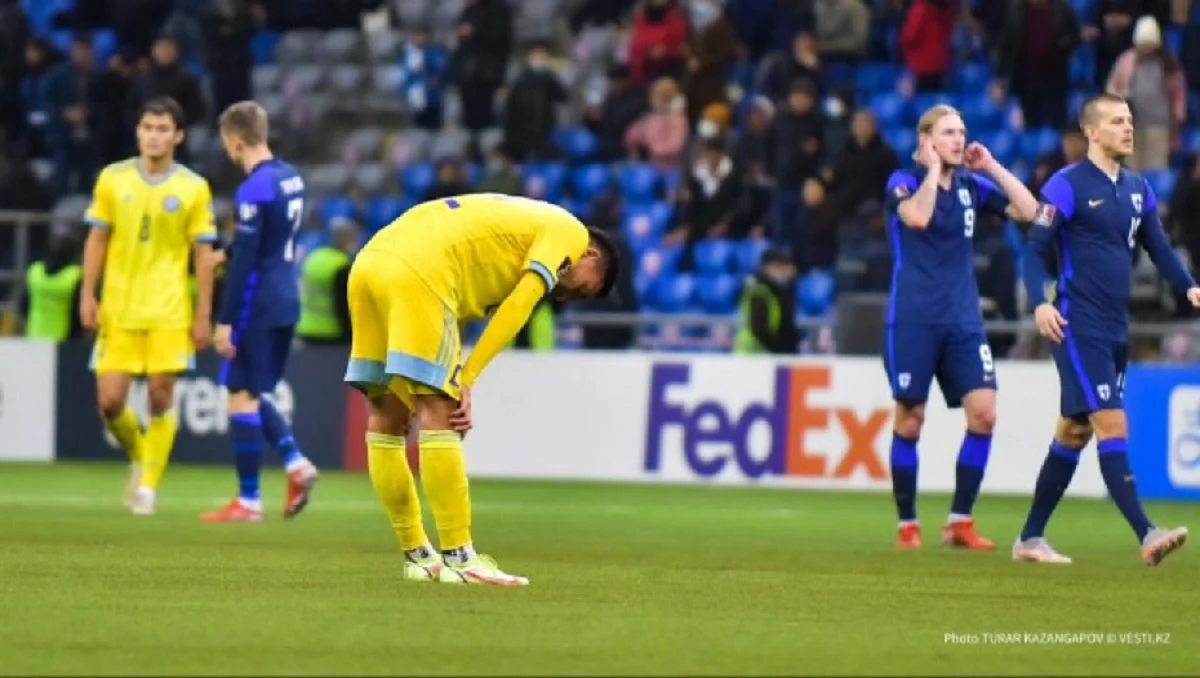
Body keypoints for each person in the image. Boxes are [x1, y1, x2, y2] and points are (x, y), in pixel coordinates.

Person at [344, 193, 618, 585]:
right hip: (423, 269)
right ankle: (461, 557)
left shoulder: (515, 234)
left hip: (371, 263)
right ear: (590, 255)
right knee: (442, 412)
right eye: (584, 289)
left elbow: (451, 311)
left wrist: (456, 370)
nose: (567, 296)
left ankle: (419, 556)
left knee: (388, 417)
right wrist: (465, 379)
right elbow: (521, 306)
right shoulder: (570, 233)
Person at [1016, 93, 1198, 566]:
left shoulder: (1138, 188)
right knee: (1111, 423)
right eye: (1117, 121)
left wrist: (1191, 288)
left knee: (1073, 433)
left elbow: (1159, 248)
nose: (1128, 128)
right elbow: (1033, 252)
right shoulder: (1065, 185)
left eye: (1130, 120)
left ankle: (1030, 538)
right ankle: (1147, 532)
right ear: (1091, 132)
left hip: (1116, 328)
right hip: (1077, 325)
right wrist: (1039, 303)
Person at [883, 104, 1039, 550]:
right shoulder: (903, 180)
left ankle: (959, 520)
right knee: (911, 420)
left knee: (985, 415)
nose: (958, 139)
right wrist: (932, 172)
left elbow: (1029, 210)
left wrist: (991, 165)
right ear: (926, 139)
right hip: (914, 317)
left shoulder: (972, 185)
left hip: (964, 319)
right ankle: (907, 523)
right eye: (948, 133)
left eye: (961, 132)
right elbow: (917, 217)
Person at [80, 97, 217, 515]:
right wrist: (88, 293)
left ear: (178, 136)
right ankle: (143, 458)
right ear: (138, 132)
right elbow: (97, 239)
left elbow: (203, 255)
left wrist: (203, 315)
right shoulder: (111, 179)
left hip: (169, 309)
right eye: (147, 128)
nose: (154, 135)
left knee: (160, 396)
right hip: (119, 308)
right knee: (110, 402)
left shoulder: (193, 187)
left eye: (162, 129)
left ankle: (147, 489)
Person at [202, 101, 319, 523]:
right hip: (287, 297)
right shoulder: (291, 178)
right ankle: (292, 466)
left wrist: (226, 321)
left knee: (240, 391)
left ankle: (252, 498)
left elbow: (249, 261)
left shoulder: (253, 188)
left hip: (258, 302)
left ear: (235, 140)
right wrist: (227, 251)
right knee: (248, 390)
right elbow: (271, 238)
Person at [733, 247, 798, 354]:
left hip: (765, 354)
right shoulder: (759, 292)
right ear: (768, 267)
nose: (787, 271)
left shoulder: (779, 290)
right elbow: (759, 329)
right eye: (781, 267)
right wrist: (778, 349)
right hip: (755, 355)